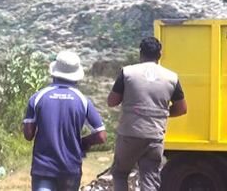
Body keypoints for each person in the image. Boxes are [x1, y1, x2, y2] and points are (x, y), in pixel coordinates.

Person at [108, 37, 188, 191]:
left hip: (129, 134)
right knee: (150, 178)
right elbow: (182, 109)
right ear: (160, 55)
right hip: (154, 135)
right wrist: (159, 113)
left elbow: (112, 102)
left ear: (140, 54)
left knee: (119, 173)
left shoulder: (127, 72)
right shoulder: (171, 77)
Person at [23, 51, 106, 191]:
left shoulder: (38, 98)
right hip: (70, 168)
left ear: (54, 72)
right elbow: (101, 135)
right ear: (76, 76)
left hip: (44, 168)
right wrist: (83, 142)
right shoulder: (82, 101)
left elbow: (28, 135)